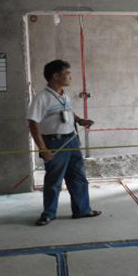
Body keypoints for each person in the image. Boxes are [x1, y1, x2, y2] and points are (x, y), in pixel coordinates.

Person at [27, 59, 101, 226]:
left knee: (78, 177)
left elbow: (67, 111)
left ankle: (82, 210)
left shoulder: (64, 95)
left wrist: (80, 120)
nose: (70, 77)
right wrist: (43, 149)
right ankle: (48, 214)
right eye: (67, 73)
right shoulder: (42, 98)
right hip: (54, 143)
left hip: (72, 140)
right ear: (55, 76)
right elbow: (33, 123)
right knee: (54, 180)